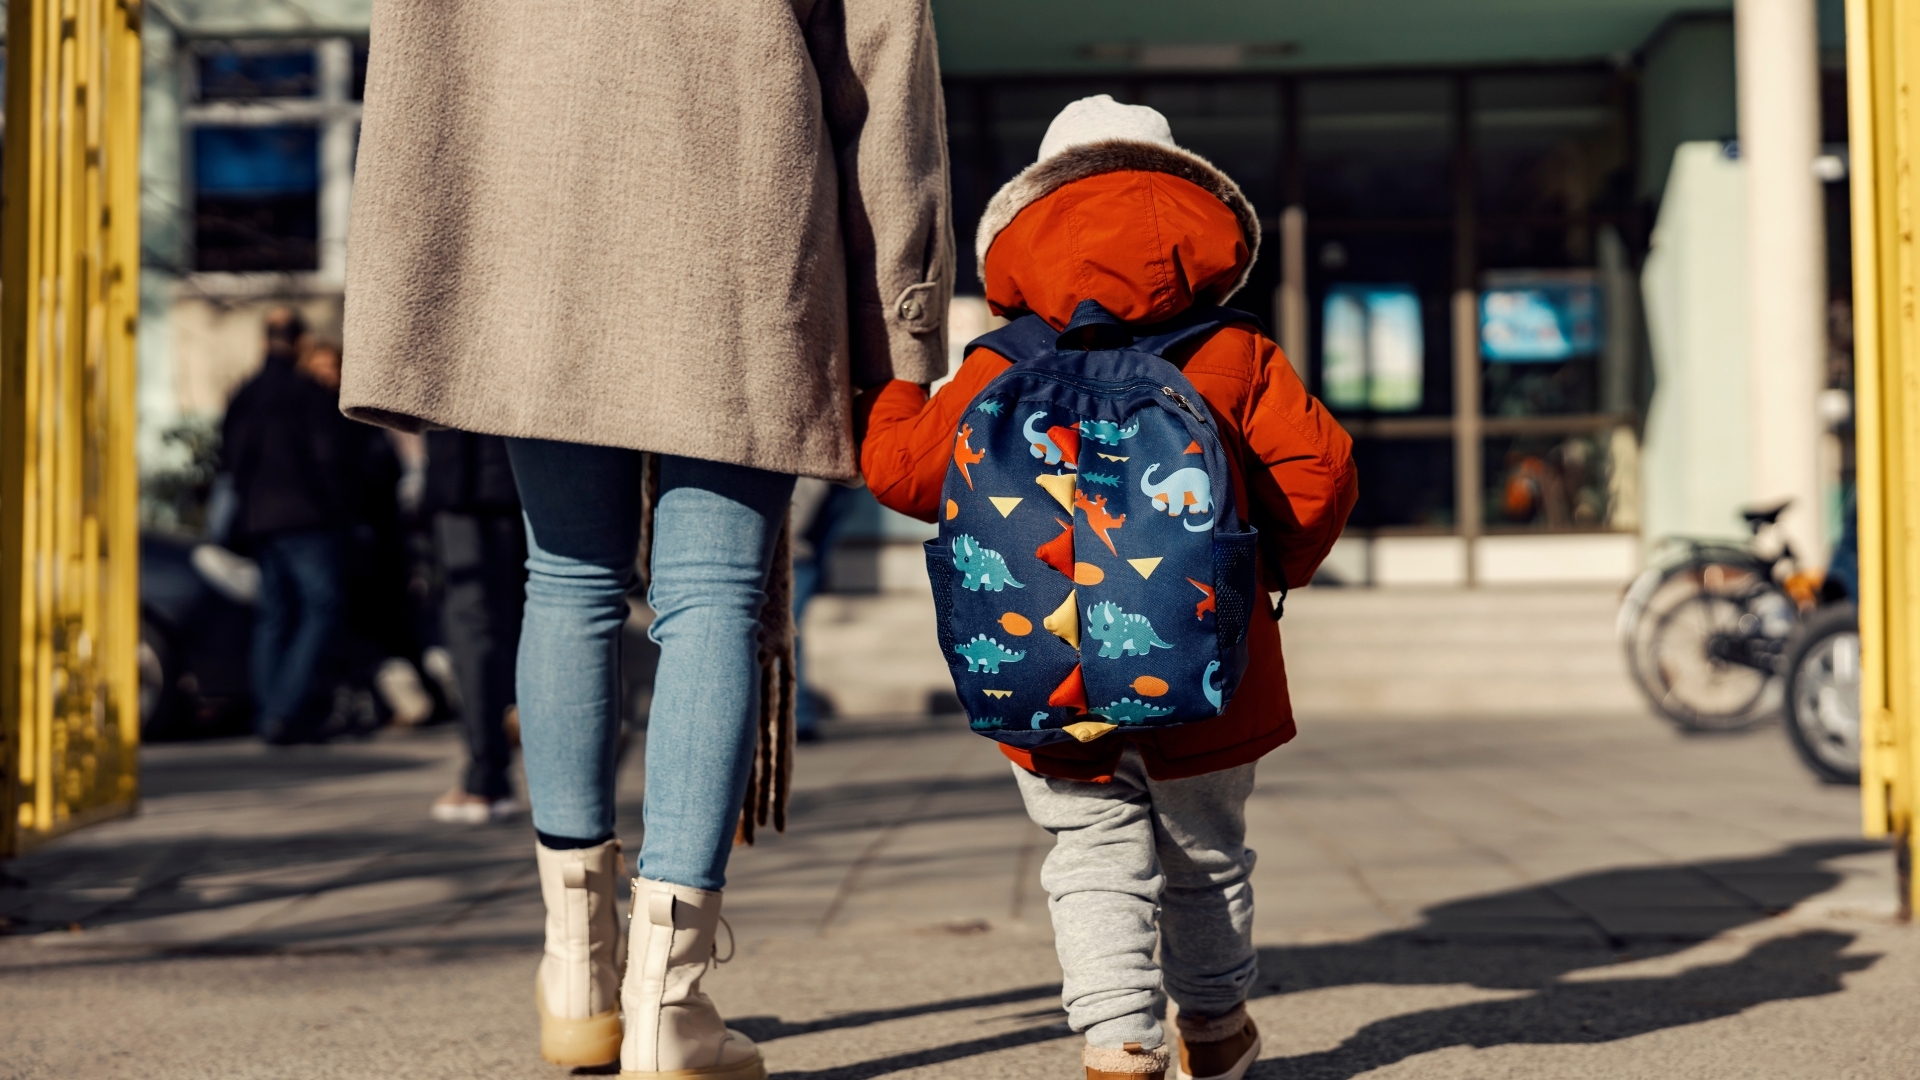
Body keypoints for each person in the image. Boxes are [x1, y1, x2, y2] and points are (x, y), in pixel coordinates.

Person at [338, 3, 952, 1075]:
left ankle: (577, 975)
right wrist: (901, 316)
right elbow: (884, 68)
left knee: (564, 581)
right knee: (712, 596)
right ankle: (668, 1004)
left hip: (530, 239)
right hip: (738, 223)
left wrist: (421, 264)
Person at [856, 96, 1358, 1080]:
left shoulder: (997, 365)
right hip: (1213, 654)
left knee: (1089, 851)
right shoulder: (1236, 353)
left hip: (1041, 663)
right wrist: (1259, 577)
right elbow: (1322, 475)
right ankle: (1213, 1031)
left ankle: (1120, 1040)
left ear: (1024, 230)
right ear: (1197, 222)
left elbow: (904, 473)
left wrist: (898, 388)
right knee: (1206, 853)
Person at [221, 309, 355, 745]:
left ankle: (272, 712)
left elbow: (231, 461)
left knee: (274, 616)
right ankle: (285, 709)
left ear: (264, 342)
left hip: (260, 520)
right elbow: (330, 458)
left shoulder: (245, 394)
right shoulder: (306, 394)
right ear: (299, 343)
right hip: (307, 518)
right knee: (322, 607)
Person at [422, 429, 528, 823]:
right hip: (536, 468)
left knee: (472, 621)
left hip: (468, 479)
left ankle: (486, 776)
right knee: (541, 608)